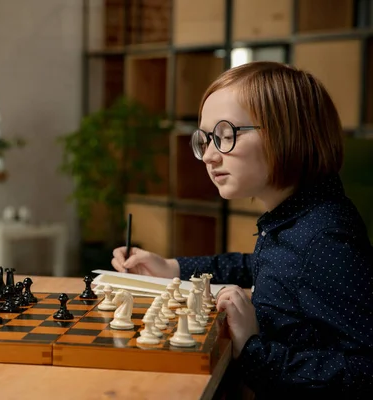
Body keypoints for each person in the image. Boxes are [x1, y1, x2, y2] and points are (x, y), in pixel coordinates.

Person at [111, 61, 373, 397]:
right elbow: (260, 267)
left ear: (287, 131)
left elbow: (364, 372)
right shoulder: (294, 222)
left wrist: (252, 348)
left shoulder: (324, 238)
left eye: (224, 136)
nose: (207, 156)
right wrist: (173, 268)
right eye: (205, 140)